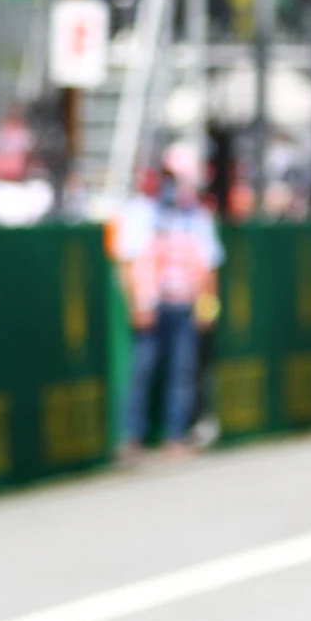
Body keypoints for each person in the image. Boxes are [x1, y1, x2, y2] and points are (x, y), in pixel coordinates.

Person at [113, 162, 223, 454]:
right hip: (151, 306)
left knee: (182, 373)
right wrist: (137, 303)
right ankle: (131, 437)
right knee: (142, 372)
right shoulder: (139, 213)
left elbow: (209, 267)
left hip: (185, 307)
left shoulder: (198, 216)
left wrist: (207, 308)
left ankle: (176, 436)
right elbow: (127, 263)